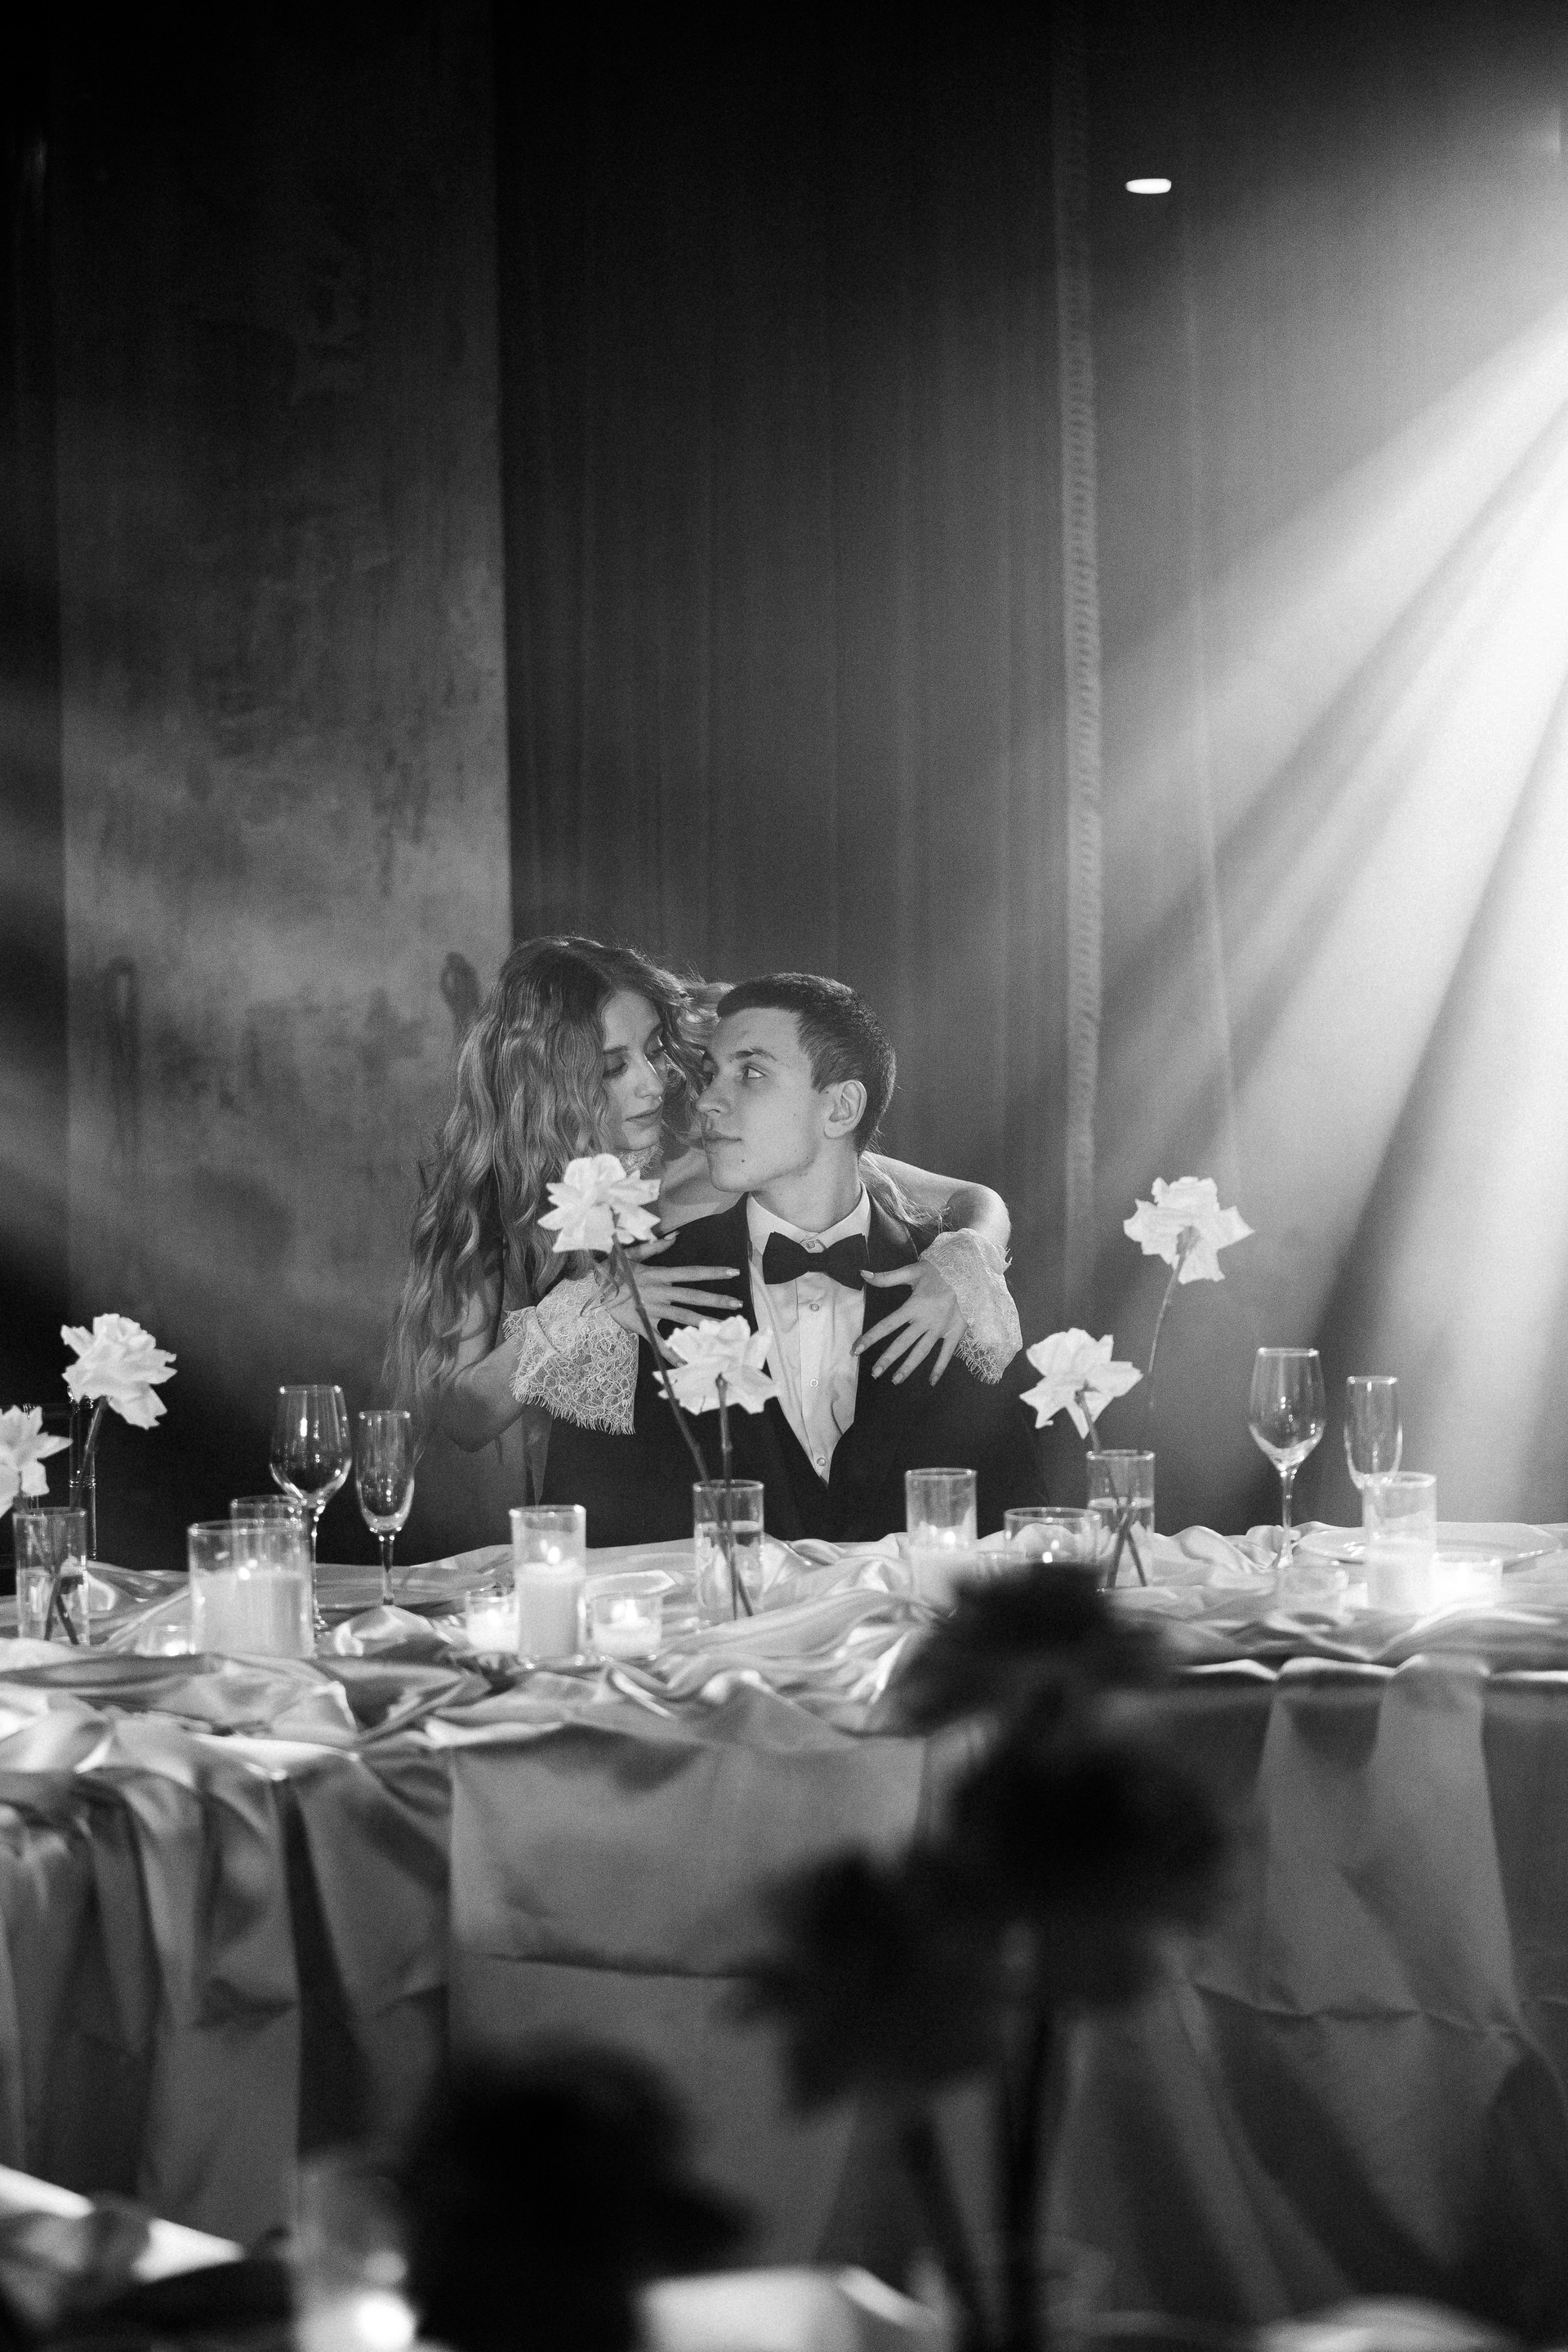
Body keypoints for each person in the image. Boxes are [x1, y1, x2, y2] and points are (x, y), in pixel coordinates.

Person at [389, 938, 1020, 1517]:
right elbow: (466, 1419)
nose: (652, 1081)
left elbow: (970, 1199)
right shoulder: (494, 1207)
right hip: (609, 1494)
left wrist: (968, 1258)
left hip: (758, 1477)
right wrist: (581, 1315)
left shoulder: (714, 1142)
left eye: (653, 1049)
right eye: (612, 1067)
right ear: (546, 1084)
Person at [541, 972, 1043, 1544]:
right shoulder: (635, 1296)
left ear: (841, 1108)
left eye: (751, 1073)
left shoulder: (959, 1285)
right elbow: (581, 1549)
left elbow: (1022, 1537)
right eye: (710, 1074)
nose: (705, 1101)